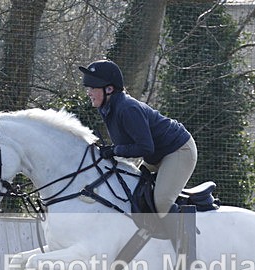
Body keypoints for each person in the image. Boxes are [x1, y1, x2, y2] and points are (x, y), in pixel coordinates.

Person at [79, 59, 197, 218]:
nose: (89, 92)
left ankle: (184, 242)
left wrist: (115, 150)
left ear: (109, 89)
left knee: (161, 203)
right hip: (157, 154)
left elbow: (145, 147)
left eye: (93, 87)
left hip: (179, 150)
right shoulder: (106, 107)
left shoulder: (127, 108)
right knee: (135, 192)